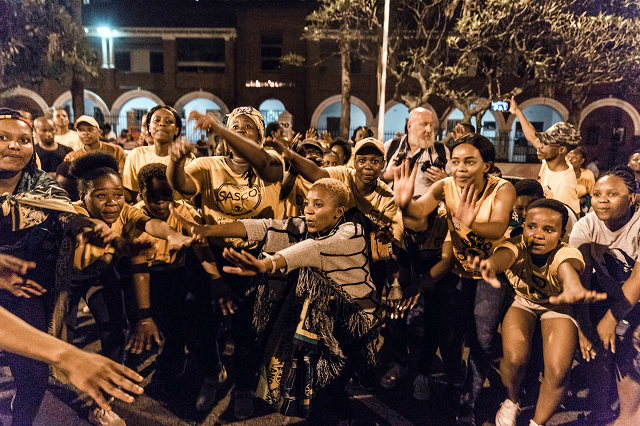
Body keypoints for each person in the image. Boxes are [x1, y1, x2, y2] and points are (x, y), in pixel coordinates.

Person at [171, 178, 380, 426]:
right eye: (308, 203)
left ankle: (342, 417)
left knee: (329, 391)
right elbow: (263, 226)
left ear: (338, 212)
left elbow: (314, 249)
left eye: (319, 204)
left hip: (351, 328)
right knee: (311, 389)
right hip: (321, 325)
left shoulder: (351, 233)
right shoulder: (303, 226)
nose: (309, 209)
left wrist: (268, 263)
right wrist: (207, 230)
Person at [0, 108, 120, 426]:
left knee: (33, 379)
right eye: (3, 137)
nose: (14, 146)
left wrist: (87, 228)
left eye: (24, 140)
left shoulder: (40, 184)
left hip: (25, 291)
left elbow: (64, 212)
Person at [168, 106, 284, 420]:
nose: (240, 130)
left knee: (248, 332)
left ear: (260, 136)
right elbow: (182, 185)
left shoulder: (271, 165)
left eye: (248, 127)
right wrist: (176, 161)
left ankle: (244, 388)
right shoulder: (208, 165)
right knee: (200, 327)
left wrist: (221, 129)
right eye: (236, 125)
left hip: (253, 260)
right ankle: (211, 373)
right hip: (209, 256)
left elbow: (269, 166)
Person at [394, 133, 516, 425]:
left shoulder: (503, 189)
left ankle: (469, 402)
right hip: (458, 271)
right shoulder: (445, 185)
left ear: (486, 165)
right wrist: (404, 201)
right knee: (449, 338)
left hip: (490, 273)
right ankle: (457, 380)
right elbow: (418, 211)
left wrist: (468, 220)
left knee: (483, 340)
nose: (460, 168)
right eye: (455, 161)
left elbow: (499, 227)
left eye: (469, 162)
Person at [473, 198, 604, 426]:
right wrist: (490, 265)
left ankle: (537, 422)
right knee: (514, 358)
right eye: (531, 226)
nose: (538, 234)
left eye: (549, 229)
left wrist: (573, 286)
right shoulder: (516, 245)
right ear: (523, 225)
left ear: (562, 234)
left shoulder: (566, 253)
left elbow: (568, 269)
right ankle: (511, 401)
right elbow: (504, 256)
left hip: (559, 308)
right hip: (524, 303)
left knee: (558, 370)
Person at [132, 162, 225, 413]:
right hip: (150, 279)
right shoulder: (135, 217)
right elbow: (139, 269)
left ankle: (213, 373)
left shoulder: (184, 212)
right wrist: (144, 314)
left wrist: (216, 281)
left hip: (183, 276)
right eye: (152, 196)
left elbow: (201, 248)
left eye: (166, 195)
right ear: (141, 194)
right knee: (168, 331)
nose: (161, 202)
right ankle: (169, 369)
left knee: (195, 331)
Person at [0, 253, 144, 411]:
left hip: (88, 269)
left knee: (115, 334)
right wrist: (67, 356)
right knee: (34, 378)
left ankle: (100, 409)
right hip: (59, 272)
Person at [570, 166, 640, 426]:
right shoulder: (585, 225)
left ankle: (629, 417)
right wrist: (582, 326)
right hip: (606, 296)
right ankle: (600, 411)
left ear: (632, 197)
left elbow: (637, 279)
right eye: (597, 193)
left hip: (635, 297)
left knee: (630, 342)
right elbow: (582, 279)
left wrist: (612, 320)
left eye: (612, 194)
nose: (602, 199)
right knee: (593, 343)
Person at [508, 97, 580, 215]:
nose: (540, 146)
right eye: (542, 141)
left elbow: (572, 217)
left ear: (561, 149)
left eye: (546, 143)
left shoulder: (564, 186)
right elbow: (532, 136)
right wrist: (516, 111)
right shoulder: (551, 159)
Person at [122, 105, 195, 203]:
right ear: (149, 127)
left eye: (169, 121)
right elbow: (130, 195)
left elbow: (191, 197)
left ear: (176, 130)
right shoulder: (136, 155)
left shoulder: (186, 158)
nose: (162, 124)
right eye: (157, 120)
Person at [381, 107, 450, 195]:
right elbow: (371, 178)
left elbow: (455, 183)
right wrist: (387, 176)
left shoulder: (441, 150)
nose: (429, 130)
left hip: (428, 208)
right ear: (409, 126)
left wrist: (445, 180)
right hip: (393, 207)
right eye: (424, 124)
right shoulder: (391, 146)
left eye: (431, 125)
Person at [510, 179, 576, 242]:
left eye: (529, 208)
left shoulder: (559, 215)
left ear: (542, 199)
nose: (524, 213)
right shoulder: (512, 214)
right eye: (519, 209)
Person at [566, 147, 595, 214]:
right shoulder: (561, 174)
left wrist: (583, 200)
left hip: (581, 209)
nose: (570, 160)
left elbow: (592, 195)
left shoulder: (588, 174)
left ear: (582, 160)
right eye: (568, 157)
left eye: (574, 157)